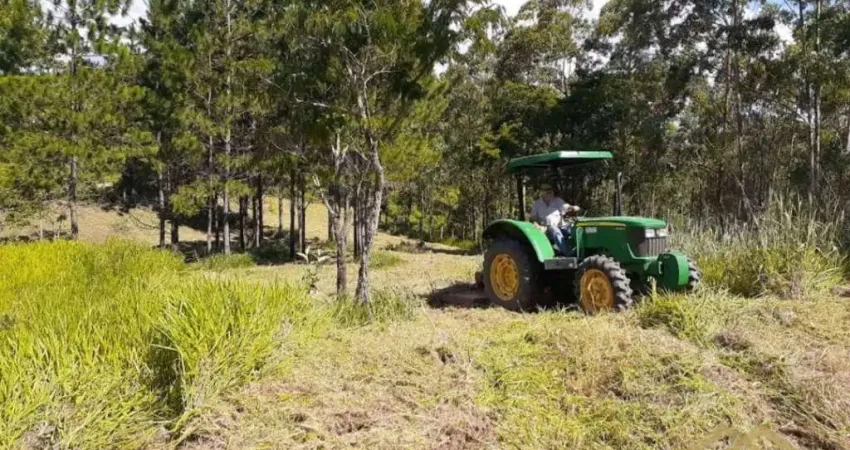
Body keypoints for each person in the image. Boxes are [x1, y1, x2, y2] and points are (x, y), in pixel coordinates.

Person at [528, 184, 580, 256]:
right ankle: (568, 253)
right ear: (542, 192)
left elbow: (566, 207)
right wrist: (537, 226)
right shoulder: (537, 204)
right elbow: (532, 219)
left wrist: (573, 208)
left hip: (560, 226)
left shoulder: (558, 201)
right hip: (545, 228)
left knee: (572, 229)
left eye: (551, 191)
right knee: (554, 230)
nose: (550, 193)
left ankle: (579, 251)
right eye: (547, 191)